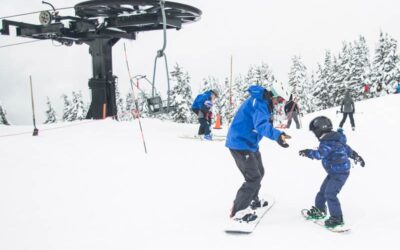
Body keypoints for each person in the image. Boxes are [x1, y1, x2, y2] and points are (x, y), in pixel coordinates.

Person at [225, 85, 291, 221]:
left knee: (259, 172)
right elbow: (260, 125)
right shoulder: (260, 103)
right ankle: (238, 211)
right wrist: (277, 136)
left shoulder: (264, 103)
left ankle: (252, 200)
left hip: (250, 144)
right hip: (240, 144)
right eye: (279, 100)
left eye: (281, 101)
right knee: (253, 178)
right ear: (273, 96)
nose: (279, 103)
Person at [299, 116, 365, 228]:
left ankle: (337, 218)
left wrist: (307, 152)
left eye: (315, 131)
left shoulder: (328, 142)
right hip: (334, 172)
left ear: (319, 129)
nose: (315, 134)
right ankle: (320, 210)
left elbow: (320, 154)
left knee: (330, 193)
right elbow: (348, 149)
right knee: (322, 192)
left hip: (340, 173)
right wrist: (356, 156)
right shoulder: (335, 139)